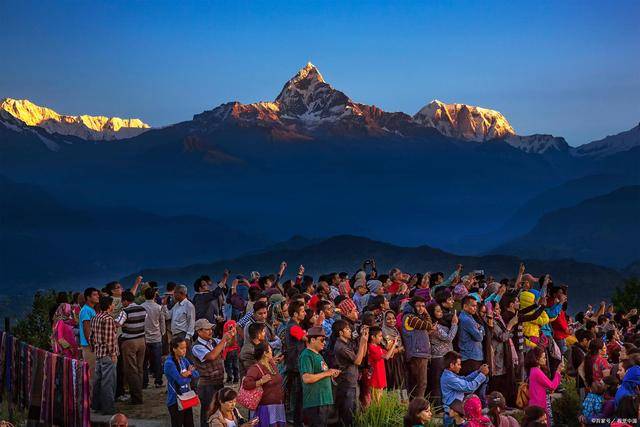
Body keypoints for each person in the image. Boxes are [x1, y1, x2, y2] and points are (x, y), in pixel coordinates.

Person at [191, 319, 234, 427]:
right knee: (207, 412)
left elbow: (228, 345)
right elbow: (211, 356)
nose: (210, 331)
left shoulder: (213, 341)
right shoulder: (196, 347)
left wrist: (231, 335)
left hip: (217, 382)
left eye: (211, 329)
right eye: (207, 329)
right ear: (199, 332)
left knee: (218, 409)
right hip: (207, 385)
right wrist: (224, 340)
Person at [299, 327, 340, 427]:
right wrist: (327, 373)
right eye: (322, 340)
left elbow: (321, 374)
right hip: (315, 402)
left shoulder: (318, 355)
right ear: (312, 340)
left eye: (325, 340)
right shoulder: (306, 355)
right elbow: (306, 378)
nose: (324, 343)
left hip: (324, 401)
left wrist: (331, 374)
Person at [332, 319, 369, 426]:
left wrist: (364, 340)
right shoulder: (341, 347)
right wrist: (362, 343)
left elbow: (361, 355)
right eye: (347, 329)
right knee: (348, 414)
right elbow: (357, 361)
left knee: (353, 411)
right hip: (346, 383)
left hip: (352, 381)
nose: (350, 331)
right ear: (340, 333)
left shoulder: (347, 343)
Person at [242, 342, 286, 427]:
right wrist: (261, 381)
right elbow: (246, 384)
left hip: (278, 406)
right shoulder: (255, 368)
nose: (271, 351)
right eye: (270, 349)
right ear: (265, 353)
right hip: (265, 409)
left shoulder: (272, 365)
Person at [440, 351, 488, 427]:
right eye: (458, 364)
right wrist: (482, 375)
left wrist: (478, 372)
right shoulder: (449, 378)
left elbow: (465, 379)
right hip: (452, 416)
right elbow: (469, 388)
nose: (460, 367)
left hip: (455, 414)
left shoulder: (450, 375)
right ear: (452, 365)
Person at [89, 296, 119, 415]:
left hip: (98, 353)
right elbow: (110, 339)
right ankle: (108, 408)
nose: (113, 306)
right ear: (108, 306)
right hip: (107, 354)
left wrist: (94, 348)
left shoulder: (95, 317)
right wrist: (113, 354)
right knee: (108, 382)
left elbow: (91, 336)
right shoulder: (108, 319)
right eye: (112, 304)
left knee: (98, 380)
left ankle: (96, 405)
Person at [116, 290, 147, 404]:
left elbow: (117, 324)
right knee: (139, 369)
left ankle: (136, 397)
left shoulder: (125, 311)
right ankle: (139, 393)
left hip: (129, 342)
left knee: (131, 370)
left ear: (125, 301)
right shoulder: (142, 309)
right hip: (142, 341)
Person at [401, 296, 433, 399]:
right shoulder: (410, 318)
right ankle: (418, 409)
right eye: (418, 306)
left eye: (423, 306)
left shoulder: (414, 317)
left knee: (418, 383)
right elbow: (428, 325)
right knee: (421, 383)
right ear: (412, 306)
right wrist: (426, 313)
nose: (421, 308)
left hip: (420, 353)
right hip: (417, 354)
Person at [164, 336, 199, 427]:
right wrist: (189, 374)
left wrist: (188, 373)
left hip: (186, 397)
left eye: (185, 348)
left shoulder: (183, 359)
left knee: (189, 423)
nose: (184, 350)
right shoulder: (169, 363)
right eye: (181, 348)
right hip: (175, 400)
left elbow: (196, 373)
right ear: (174, 349)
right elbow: (180, 381)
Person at [427, 303, 458, 403]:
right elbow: (448, 338)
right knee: (437, 382)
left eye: (441, 310)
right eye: (437, 311)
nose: (440, 313)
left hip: (445, 356)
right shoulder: (434, 325)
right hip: (438, 357)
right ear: (432, 313)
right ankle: (437, 407)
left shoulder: (441, 323)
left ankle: (445, 405)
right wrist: (454, 324)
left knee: (444, 382)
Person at [525, 347, 562, 426]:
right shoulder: (537, 371)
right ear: (537, 359)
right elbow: (552, 386)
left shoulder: (533, 370)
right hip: (540, 404)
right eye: (543, 357)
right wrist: (558, 372)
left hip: (535, 403)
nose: (545, 359)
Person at [284, 301, 307, 426]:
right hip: (296, 367)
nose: (304, 313)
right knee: (298, 396)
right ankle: (297, 421)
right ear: (295, 314)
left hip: (297, 365)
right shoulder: (293, 327)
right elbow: (306, 339)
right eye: (302, 311)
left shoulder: (295, 325)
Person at [141, 286, 165, 388]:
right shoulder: (158, 307)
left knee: (144, 361)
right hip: (156, 337)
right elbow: (162, 322)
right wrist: (162, 333)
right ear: (154, 295)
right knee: (158, 360)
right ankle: (158, 381)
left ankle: (144, 382)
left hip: (144, 337)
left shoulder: (141, 307)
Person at [367, 326, 397, 402]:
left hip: (380, 379)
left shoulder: (378, 347)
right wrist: (394, 345)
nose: (381, 338)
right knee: (376, 403)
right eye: (380, 336)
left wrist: (392, 343)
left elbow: (391, 355)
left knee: (379, 403)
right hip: (375, 380)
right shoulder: (371, 347)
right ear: (373, 337)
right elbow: (387, 357)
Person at [458, 296, 485, 375]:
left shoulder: (468, 317)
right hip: (471, 357)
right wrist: (481, 328)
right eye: (473, 306)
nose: (475, 308)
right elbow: (479, 337)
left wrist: (480, 328)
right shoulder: (466, 320)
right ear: (465, 306)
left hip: (472, 355)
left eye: (476, 306)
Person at [381, 309, 406, 393]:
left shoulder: (395, 330)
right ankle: (395, 403)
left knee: (401, 381)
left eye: (393, 318)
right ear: (384, 320)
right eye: (388, 319)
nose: (392, 320)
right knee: (394, 381)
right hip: (391, 361)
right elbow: (389, 349)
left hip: (398, 359)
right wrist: (400, 349)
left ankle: (402, 403)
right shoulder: (384, 331)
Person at [80, 287, 100, 387]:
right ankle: (92, 400)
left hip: (93, 345)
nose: (98, 296)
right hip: (89, 347)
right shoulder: (85, 311)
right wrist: (92, 345)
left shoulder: (92, 309)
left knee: (95, 373)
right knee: (92, 374)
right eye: (95, 295)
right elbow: (87, 329)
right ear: (88, 297)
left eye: (97, 294)